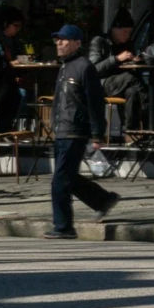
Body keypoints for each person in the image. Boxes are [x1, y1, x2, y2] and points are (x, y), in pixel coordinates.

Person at [45, 24, 120, 240]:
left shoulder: (84, 68)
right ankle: (103, 200)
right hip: (61, 130)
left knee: (59, 181)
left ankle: (64, 226)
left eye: (64, 40)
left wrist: (97, 134)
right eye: (57, 39)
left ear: (77, 43)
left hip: (75, 131)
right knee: (68, 177)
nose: (59, 43)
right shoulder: (64, 67)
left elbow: (95, 103)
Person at [89, 9, 145, 132]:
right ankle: (148, 116)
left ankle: (130, 131)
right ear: (115, 29)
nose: (127, 36)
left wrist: (134, 60)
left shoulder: (127, 44)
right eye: (125, 32)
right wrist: (117, 58)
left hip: (121, 83)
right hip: (102, 84)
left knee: (133, 91)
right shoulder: (100, 42)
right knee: (132, 79)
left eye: (129, 33)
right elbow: (93, 70)